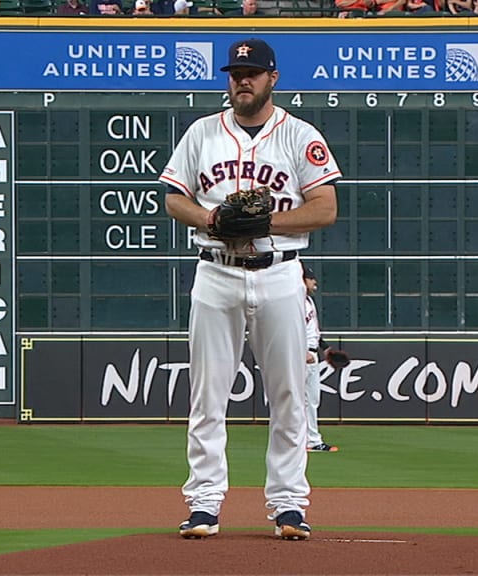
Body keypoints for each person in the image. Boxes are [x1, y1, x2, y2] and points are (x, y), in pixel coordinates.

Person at [159, 38, 341, 541]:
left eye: (253, 72)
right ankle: (203, 504)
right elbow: (176, 199)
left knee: (288, 395)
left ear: (272, 78)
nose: (243, 79)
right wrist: (213, 217)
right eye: (236, 72)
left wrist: (268, 222)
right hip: (215, 271)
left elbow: (325, 207)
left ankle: (288, 505)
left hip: (280, 272)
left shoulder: (299, 135)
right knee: (207, 396)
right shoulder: (202, 133)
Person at [301, 265, 338, 453]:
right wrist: (301, 351)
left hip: (312, 352)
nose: (314, 282)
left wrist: (326, 348)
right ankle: (311, 440)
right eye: (311, 278)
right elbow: (290, 330)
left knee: (311, 400)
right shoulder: (296, 302)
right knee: (304, 401)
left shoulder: (308, 301)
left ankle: (309, 440)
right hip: (302, 355)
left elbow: (313, 332)